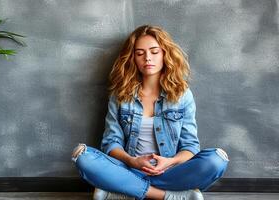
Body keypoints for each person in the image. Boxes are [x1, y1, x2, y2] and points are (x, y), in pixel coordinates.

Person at [71, 25, 229, 200]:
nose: (147, 58)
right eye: (140, 53)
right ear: (133, 58)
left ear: (164, 54)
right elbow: (111, 142)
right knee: (82, 156)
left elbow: (190, 146)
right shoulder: (120, 94)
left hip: (170, 172)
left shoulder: (182, 95)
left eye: (154, 51)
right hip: (129, 168)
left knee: (216, 160)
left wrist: (170, 162)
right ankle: (168, 196)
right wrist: (133, 161)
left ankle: (121, 190)